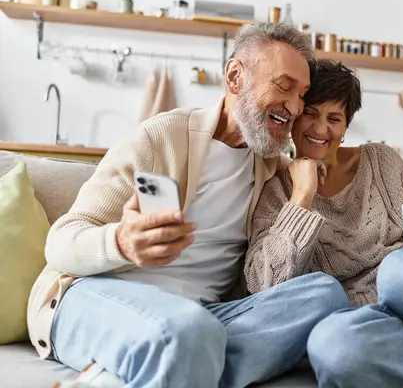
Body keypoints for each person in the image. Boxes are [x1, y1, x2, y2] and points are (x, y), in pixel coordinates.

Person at [27, 24, 349, 388]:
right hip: (99, 298)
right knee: (190, 331)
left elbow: (337, 163)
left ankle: (144, 368)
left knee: (323, 296)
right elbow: (61, 242)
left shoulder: (272, 167)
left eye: (302, 94)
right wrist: (121, 242)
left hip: (204, 315)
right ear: (234, 77)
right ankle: (178, 356)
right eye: (283, 86)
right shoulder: (159, 138)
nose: (294, 107)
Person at [245, 59, 403, 388]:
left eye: (334, 118)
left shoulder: (381, 161)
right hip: (365, 326)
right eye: (311, 113)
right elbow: (263, 287)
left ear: (346, 125)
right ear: (295, 115)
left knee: (402, 271)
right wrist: (303, 195)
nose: (320, 129)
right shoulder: (277, 192)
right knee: (330, 344)